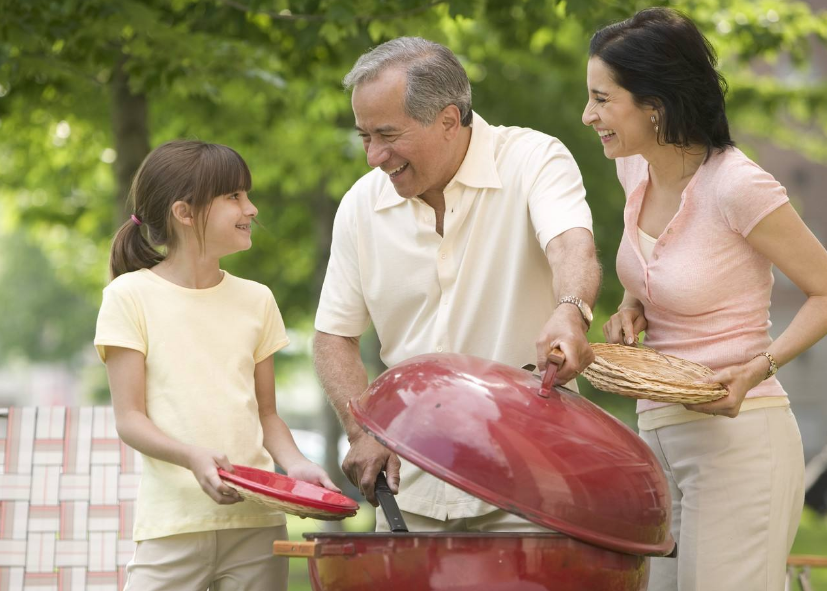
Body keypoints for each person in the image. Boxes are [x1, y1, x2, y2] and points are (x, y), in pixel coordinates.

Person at [582, 8, 827, 590]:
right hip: (659, 441)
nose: (588, 115)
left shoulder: (737, 186)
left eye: (601, 99)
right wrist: (631, 309)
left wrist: (758, 367)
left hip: (738, 444)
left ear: (654, 105)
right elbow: (661, 278)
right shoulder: (634, 173)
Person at [314, 37, 601, 532]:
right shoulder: (360, 205)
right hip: (412, 495)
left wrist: (571, 310)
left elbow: (571, 245)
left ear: (449, 120)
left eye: (387, 134)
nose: (373, 157)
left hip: (534, 488)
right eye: (364, 136)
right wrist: (362, 431)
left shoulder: (535, 159)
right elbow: (333, 337)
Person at [94, 140, 338, 591]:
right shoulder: (128, 297)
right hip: (173, 525)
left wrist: (295, 464)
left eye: (246, 194)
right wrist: (192, 457)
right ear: (185, 213)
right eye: (234, 197)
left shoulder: (257, 299)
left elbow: (266, 415)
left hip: (256, 523)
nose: (251, 207)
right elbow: (129, 419)